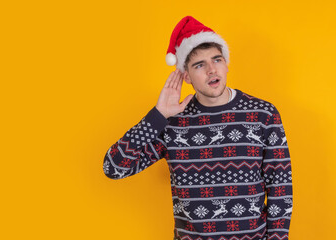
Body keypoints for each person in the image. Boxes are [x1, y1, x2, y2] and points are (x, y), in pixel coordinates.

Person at [102, 16, 293, 240]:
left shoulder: (263, 114)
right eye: (199, 65)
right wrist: (158, 116)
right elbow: (114, 168)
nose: (212, 70)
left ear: (226, 63)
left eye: (217, 60)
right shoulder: (172, 121)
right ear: (186, 76)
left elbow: (280, 187)